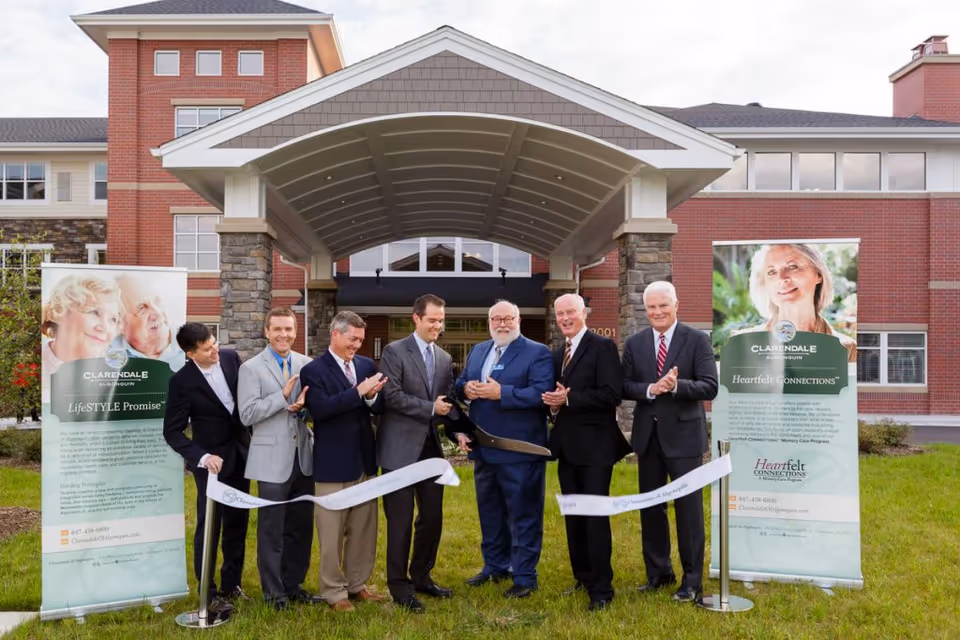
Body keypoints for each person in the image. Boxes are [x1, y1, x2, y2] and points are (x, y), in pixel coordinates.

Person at [622, 281, 718, 604]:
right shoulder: (635, 343)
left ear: (676, 304)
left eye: (663, 305)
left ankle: (692, 582)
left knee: (688, 512)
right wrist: (651, 389)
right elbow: (624, 385)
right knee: (651, 509)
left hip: (684, 439)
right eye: (651, 307)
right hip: (648, 439)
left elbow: (710, 386)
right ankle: (659, 573)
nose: (657, 312)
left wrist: (676, 387)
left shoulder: (697, 340)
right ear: (645, 309)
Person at [453, 300, 554, 599]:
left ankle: (524, 576)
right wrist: (465, 389)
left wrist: (503, 393)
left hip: (520, 450)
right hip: (484, 447)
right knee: (491, 511)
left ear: (518, 320)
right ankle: (495, 566)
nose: (502, 324)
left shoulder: (537, 352)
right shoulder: (480, 350)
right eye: (496, 319)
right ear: (489, 321)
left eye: (507, 318)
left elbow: (542, 394)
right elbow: (459, 383)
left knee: (524, 512)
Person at [541, 293, 630, 612]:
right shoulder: (557, 352)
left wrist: (569, 398)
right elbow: (557, 398)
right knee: (574, 515)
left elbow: (612, 394)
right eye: (559, 314)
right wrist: (553, 405)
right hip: (567, 448)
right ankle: (582, 576)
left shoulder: (602, 346)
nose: (564, 318)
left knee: (594, 516)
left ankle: (602, 589)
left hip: (595, 449)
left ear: (584, 313)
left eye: (570, 312)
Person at [299, 311, 388, 612]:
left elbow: (377, 407)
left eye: (361, 340)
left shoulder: (365, 364)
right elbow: (321, 411)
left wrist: (373, 397)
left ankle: (356, 584)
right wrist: (358, 393)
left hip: (364, 459)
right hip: (332, 464)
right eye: (352, 339)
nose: (357, 346)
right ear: (335, 335)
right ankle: (334, 593)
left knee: (363, 529)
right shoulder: (313, 370)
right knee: (331, 533)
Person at [162, 323, 250, 613]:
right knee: (210, 526)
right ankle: (208, 591)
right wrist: (201, 457)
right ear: (190, 354)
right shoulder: (181, 382)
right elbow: (172, 432)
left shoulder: (231, 358)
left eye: (214, 343)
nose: (215, 350)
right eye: (207, 348)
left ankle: (232, 584)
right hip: (211, 465)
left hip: (241, 455)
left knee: (238, 522)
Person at [377, 294, 457, 612]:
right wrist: (430, 407)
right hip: (398, 450)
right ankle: (399, 586)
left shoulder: (445, 358)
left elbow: (446, 404)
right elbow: (392, 396)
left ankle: (422, 576)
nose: (437, 325)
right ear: (416, 318)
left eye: (441, 320)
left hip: (430, 452)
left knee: (432, 519)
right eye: (432, 320)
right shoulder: (394, 352)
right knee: (400, 522)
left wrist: (460, 429)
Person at [237, 307, 319, 610]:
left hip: (303, 457)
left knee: (301, 527)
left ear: (295, 331)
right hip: (271, 460)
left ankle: (293, 584)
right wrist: (282, 398)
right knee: (272, 530)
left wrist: (306, 409)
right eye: (278, 329)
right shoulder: (251, 368)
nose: (284, 335)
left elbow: (314, 406)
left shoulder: (307, 363)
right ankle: (273, 593)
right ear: (266, 332)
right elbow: (247, 414)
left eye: (289, 329)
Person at [741, 243, 856, 362]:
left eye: (792, 267)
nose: (781, 278)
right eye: (771, 272)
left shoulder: (847, 349)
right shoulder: (743, 346)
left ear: (818, 274)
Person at [41, 273, 124, 401]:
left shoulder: (118, 373)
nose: (105, 328)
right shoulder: (37, 368)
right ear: (60, 313)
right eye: (94, 312)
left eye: (113, 319)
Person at [113, 273, 186, 369]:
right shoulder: (102, 353)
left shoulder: (191, 345)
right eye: (142, 308)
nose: (157, 313)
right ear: (120, 323)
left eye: (157, 301)